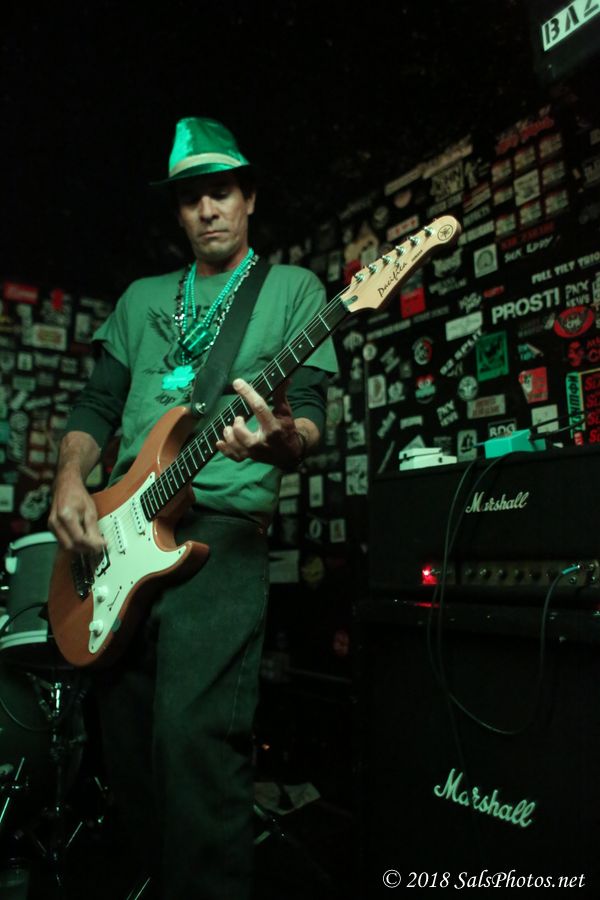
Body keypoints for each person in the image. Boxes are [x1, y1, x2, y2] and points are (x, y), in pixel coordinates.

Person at [48, 116, 338, 900]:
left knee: (192, 741)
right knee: (128, 750)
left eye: (222, 191)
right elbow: (96, 405)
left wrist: (282, 440)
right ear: (176, 213)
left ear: (249, 198)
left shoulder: (292, 292)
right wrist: (70, 481)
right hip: (118, 536)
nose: (208, 209)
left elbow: (309, 418)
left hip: (219, 536)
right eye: (190, 198)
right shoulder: (141, 299)